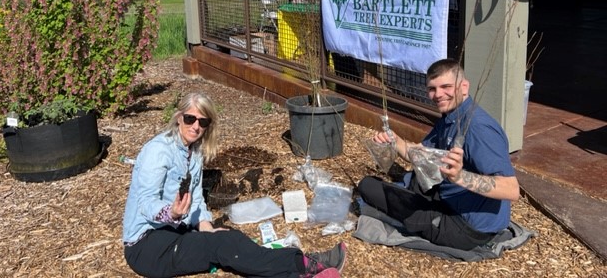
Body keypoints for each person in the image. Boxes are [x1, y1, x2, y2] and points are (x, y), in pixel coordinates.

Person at [122, 92, 347, 278]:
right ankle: (306, 264)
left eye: (203, 122)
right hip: (147, 246)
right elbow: (146, 203)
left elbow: (197, 198)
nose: (196, 127)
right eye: (190, 119)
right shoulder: (158, 151)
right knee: (224, 245)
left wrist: (207, 228)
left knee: (231, 239)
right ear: (179, 118)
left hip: (174, 230)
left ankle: (298, 270)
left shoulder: (194, 151)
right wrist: (171, 213)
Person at [358, 59, 520, 251]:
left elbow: (511, 190)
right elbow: (420, 154)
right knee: (412, 180)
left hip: (466, 227)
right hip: (449, 197)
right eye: (432, 89)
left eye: (446, 87)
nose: (438, 94)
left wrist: (460, 177)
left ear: (464, 87)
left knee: (368, 186)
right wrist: (395, 141)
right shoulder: (452, 115)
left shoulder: (478, 128)